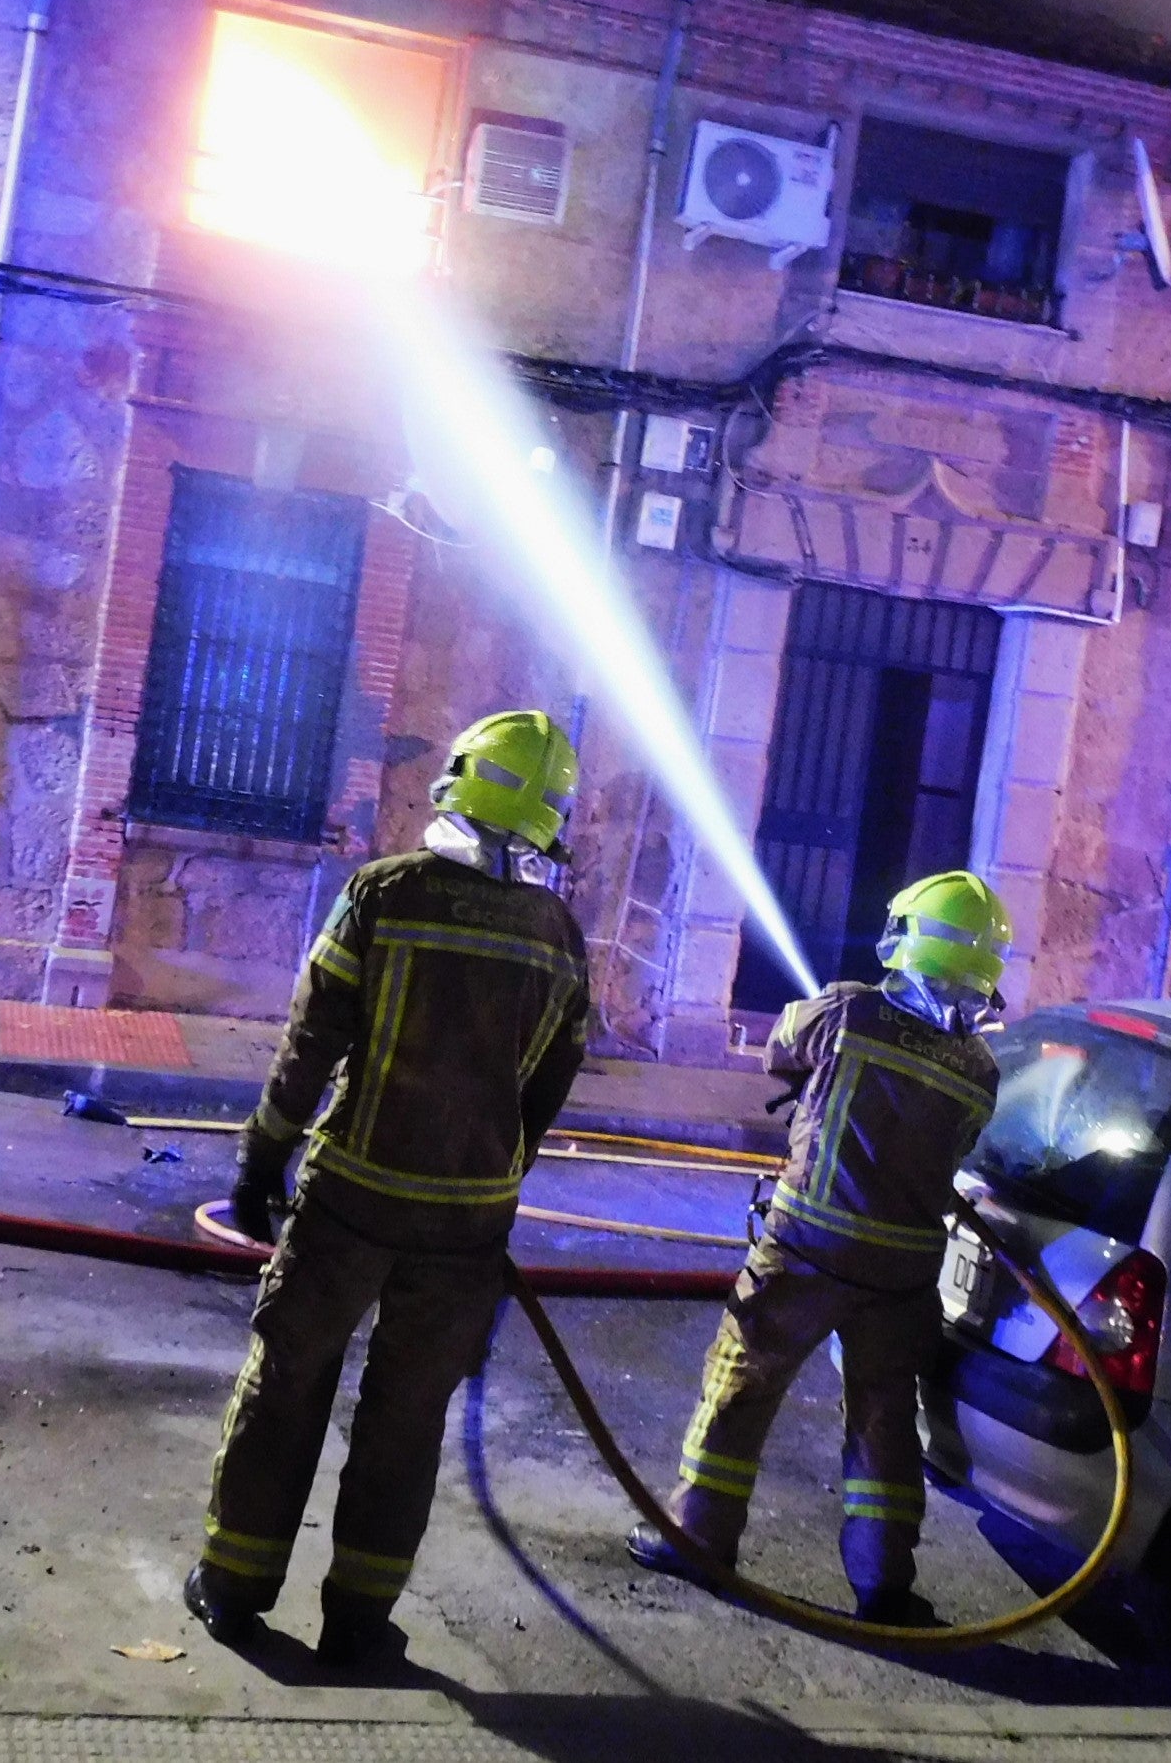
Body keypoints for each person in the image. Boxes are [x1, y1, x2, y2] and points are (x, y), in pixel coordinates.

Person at [185, 708, 594, 1664]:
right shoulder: (559, 937)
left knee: (285, 1388)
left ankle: (235, 1586)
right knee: (408, 1420)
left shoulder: (384, 893)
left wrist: (261, 1162)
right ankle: (361, 1619)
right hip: (467, 1228)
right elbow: (550, 1089)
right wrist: (494, 1174)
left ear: (458, 780)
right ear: (547, 816)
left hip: (349, 1203)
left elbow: (309, 1044)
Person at [629, 870, 1009, 1626]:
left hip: (805, 1248)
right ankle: (883, 1583)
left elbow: (780, 1049)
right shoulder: (979, 1070)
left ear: (909, 941)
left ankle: (698, 1538)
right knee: (882, 1420)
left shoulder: (846, 1011)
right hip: (901, 1273)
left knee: (741, 1384)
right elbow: (957, 1145)